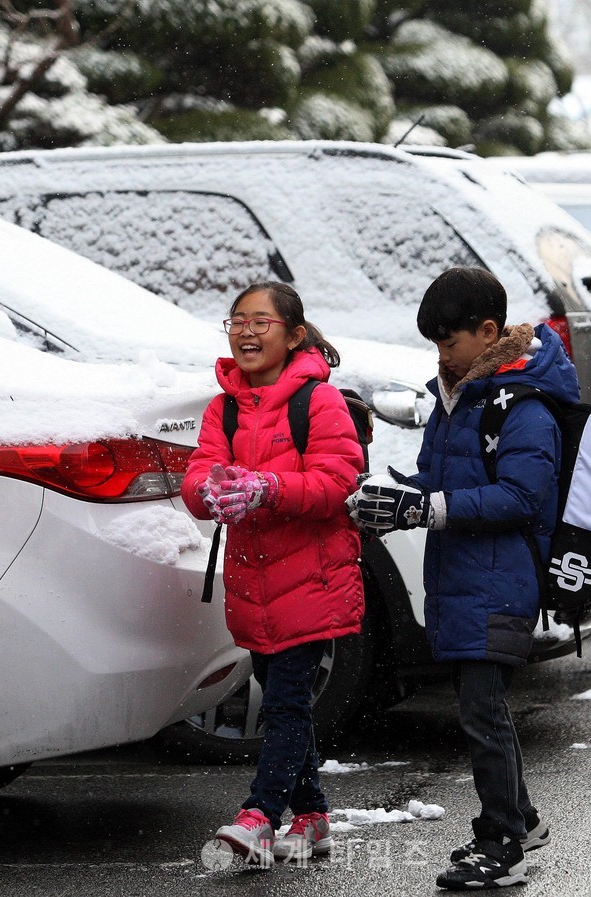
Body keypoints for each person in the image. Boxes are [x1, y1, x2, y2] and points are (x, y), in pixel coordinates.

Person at [349, 266, 577, 890]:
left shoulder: (524, 404)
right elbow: (440, 479)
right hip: (462, 577)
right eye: (435, 344)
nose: (441, 355)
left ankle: (502, 844)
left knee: (482, 713)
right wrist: (393, 497)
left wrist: (430, 509)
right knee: (483, 709)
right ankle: (522, 819)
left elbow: (522, 498)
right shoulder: (457, 396)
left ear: (488, 332)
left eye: (450, 342)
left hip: (504, 580)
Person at [181, 281, 364, 867]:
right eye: (237, 321)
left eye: (261, 322)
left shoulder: (319, 401)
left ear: (294, 334)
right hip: (253, 583)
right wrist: (210, 492)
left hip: (312, 578)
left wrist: (270, 487)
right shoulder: (225, 407)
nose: (246, 332)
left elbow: (337, 482)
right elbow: (198, 474)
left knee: (284, 703)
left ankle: (258, 816)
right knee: (286, 703)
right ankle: (312, 818)